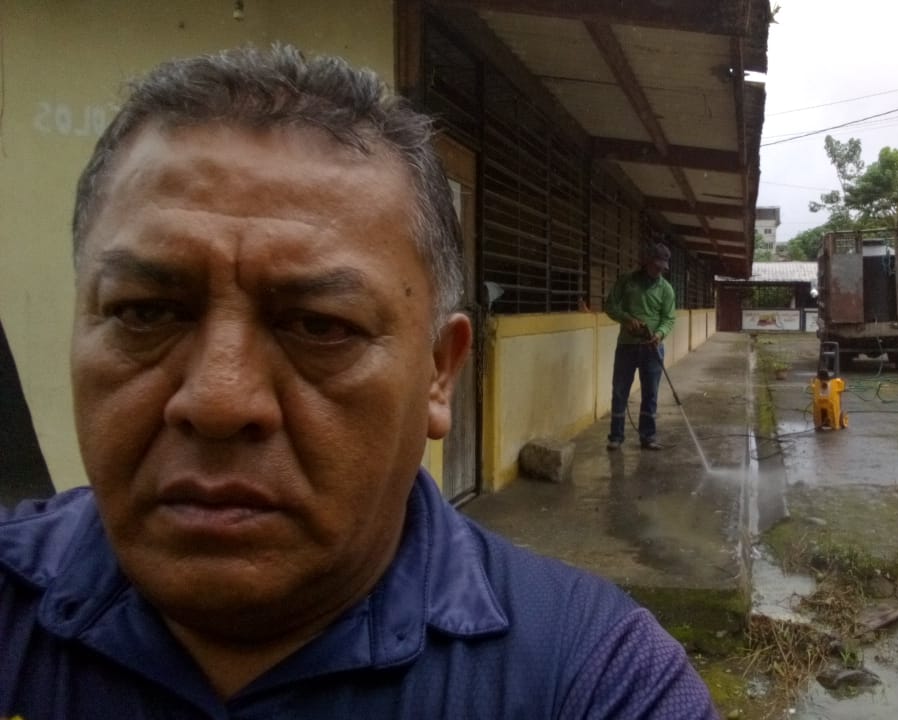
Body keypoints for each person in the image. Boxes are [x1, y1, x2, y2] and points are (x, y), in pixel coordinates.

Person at [0, 45, 717, 719]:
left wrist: (657, 327)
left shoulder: (594, 681)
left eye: (320, 326)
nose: (218, 401)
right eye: (145, 313)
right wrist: (629, 318)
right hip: (629, 342)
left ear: (439, 371)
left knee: (646, 403)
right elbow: (619, 303)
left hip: (648, 347)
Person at [603, 244, 677, 451]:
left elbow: (669, 318)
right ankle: (616, 436)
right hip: (626, 346)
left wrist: (659, 334)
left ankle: (648, 437)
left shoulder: (666, 289)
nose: (659, 270)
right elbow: (610, 306)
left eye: (662, 267)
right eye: (656, 265)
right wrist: (626, 319)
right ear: (646, 261)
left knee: (650, 394)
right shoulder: (627, 281)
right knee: (620, 392)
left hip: (652, 349)